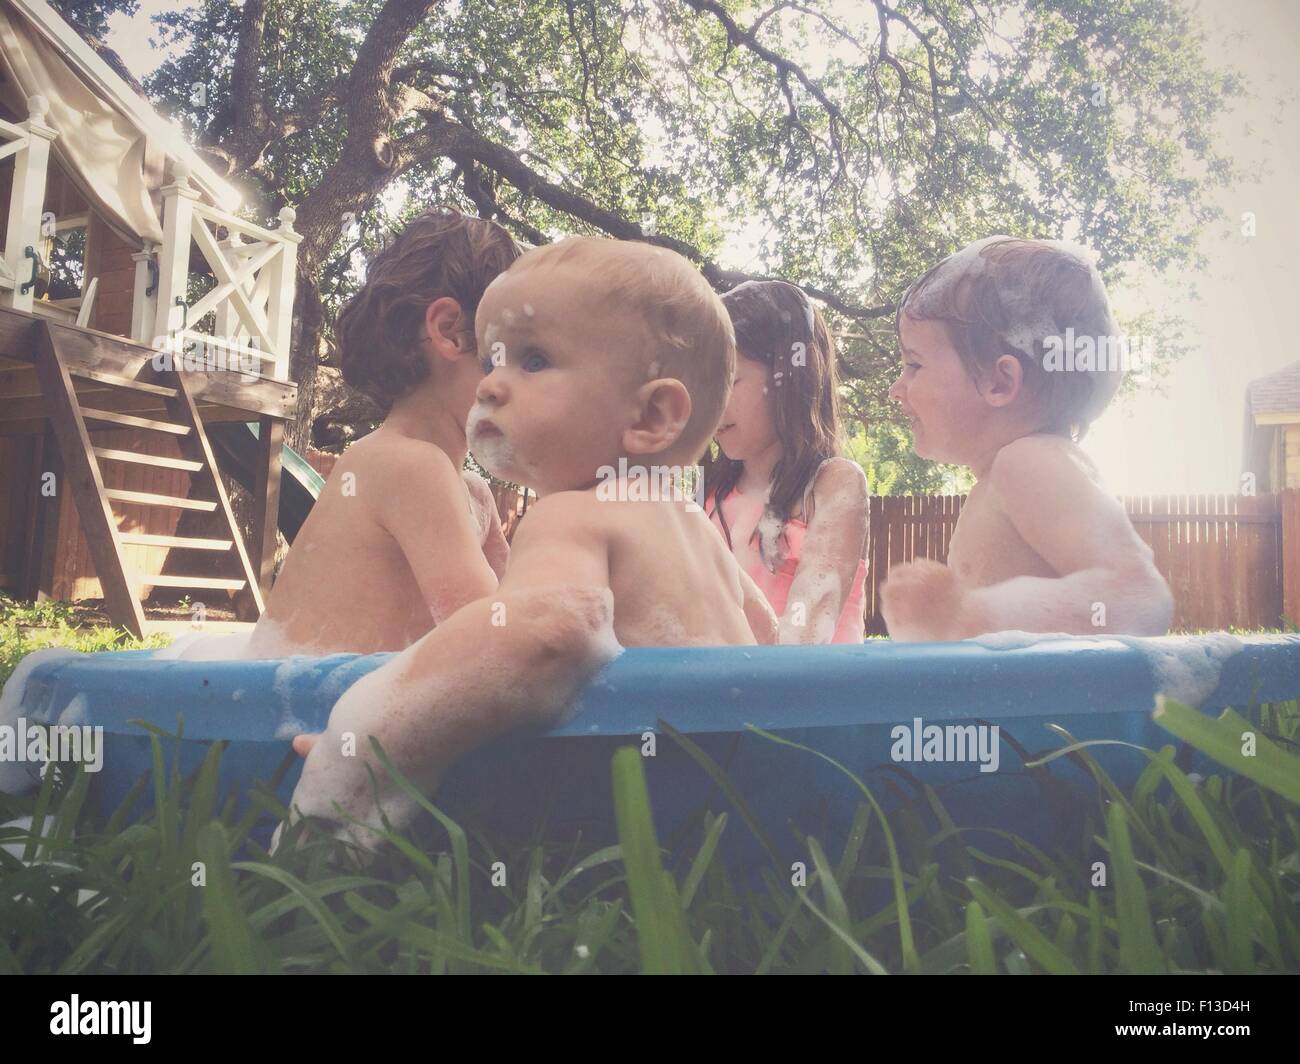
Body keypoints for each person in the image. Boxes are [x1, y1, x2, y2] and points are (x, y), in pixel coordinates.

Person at [281, 236, 777, 850]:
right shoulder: (698, 533)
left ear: (651, 418)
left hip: (621, 824)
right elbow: (772, 646)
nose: (491, 386)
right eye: (491, 361)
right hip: (730, 810)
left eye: (534, 360)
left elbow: (542, 635)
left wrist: (367, 744)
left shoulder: (570, 518)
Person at [242, 209, 516, 657]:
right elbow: (489, 640)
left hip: (341, 712)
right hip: (291, 716)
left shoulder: (473, 492)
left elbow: (513, 607)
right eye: (527, 354)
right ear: (451, 332)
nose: (538, 386)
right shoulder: (406, 465)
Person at [880, 236, 1173, 640]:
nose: (896, 389)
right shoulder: (999, 477)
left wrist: (973, 615)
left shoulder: (1029, 461)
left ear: (999, 382)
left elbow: (1140, 595)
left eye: (914, 365)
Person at [705, 280, 869, 644]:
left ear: (790, 377)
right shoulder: (714, 497)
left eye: (729, 381)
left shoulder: (833, 486)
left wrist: (708, 558)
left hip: (817, 698)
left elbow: (801, 644)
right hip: (732, 697)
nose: (710, 402)